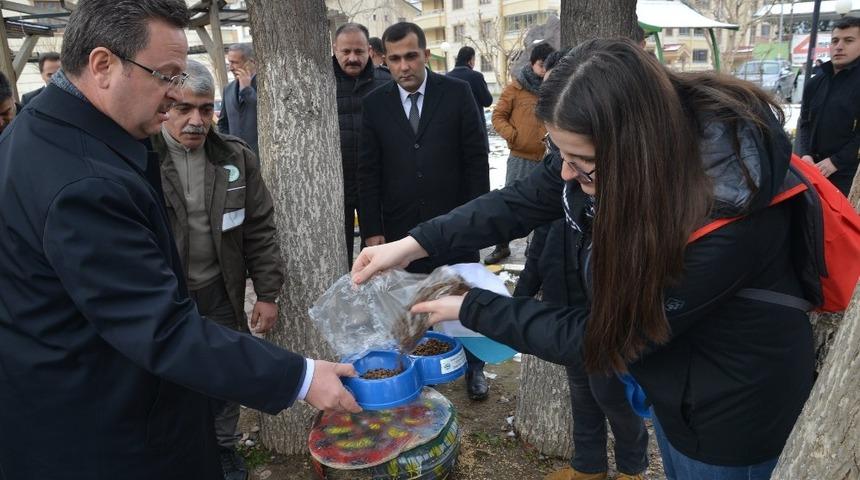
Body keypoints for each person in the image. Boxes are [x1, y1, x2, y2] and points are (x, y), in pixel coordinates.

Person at [353, 39, 814, 480]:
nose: (567, 175)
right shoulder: (617, 156)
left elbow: (605, 336)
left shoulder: (726, 224)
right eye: (560, 155)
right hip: (679, 389)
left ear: (638, 147)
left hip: (733, 417)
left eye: (581, 163)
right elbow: (519, 201)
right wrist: (412, 244)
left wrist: (471, 307)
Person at [0, 2, 359, 479]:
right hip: (108, 430)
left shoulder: (39, 132)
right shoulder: (84, 184)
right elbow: (161, 329)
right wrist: (302, 376)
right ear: (103, 65)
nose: (173, 97)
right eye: (166, 76)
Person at [517, 47, 648, 480]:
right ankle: (588, 468)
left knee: (615, 400)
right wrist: (521, 294)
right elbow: (537, 248)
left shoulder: (617, 195)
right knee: (581, 395)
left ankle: (631, 468)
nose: (569, 170)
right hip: (566, 307)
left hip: (604, 318)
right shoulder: (563, 179)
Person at [151, 59, 284, 480]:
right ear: (165, 106)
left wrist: (267, 293)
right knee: (169, 375)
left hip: (220, 291)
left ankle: (223, 448)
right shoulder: (141, 158)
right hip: (164, 295)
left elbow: (260, 228)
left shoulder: (235, 158)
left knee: (223, 375)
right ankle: (183, 448)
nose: (196, 120)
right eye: (185, 108)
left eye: (206, 109)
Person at [357, 22, 491, 400]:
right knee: (414, 304)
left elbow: (476, 161)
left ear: (425, 55)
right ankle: (423, 369)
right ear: (384, 59)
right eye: (395, 58)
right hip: (402, 228)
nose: (404, 67)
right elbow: (367, 171)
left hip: (457, 223)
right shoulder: (375, 103)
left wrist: (478, 220)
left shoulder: (458, 93)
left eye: (411, 56)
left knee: (464, 296)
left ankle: (473, 367)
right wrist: (373, 230)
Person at [484, 42, 554, 265]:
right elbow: (497, 117)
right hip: (519, 158)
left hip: (546, 158)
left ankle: (534, 249)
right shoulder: (516, 88)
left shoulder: (554, 87)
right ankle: (502, 245)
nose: (544, 70)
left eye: (547, 65)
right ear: (532, 63)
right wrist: (513, 135)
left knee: (543, 204)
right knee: (511, 203)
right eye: (541, 65)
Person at [333, 23, 391, 269]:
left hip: (377, 188)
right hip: (336, 186)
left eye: (359, 51)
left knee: (379, 259)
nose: (352, 58)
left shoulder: (387, 83)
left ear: (369, 50)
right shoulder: (319, 81)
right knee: (338, 259)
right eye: (346, 52)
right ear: (334, 49)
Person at [797, 16, 860, 196]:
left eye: (848, 40)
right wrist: (805, 154)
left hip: (849, 176)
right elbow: (805, 123)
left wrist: (835, 162)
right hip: (812, 172)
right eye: (835, 40)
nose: (839, 46)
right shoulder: (815, 83)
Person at [217, 42, 259, 155]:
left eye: (234, 63)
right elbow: (222, 123)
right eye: (229, 63)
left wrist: (247, 90)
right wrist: (228, 147)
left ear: (251, 62)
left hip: (262, 156)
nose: (230, 68)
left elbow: (265, 113)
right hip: (237, 156)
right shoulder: (228, 89)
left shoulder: (264, 85)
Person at [446, 46, 493, 134]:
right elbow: (487, 101)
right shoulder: (476, 77)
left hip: (453, 128)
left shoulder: (446, 77)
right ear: (470, 60)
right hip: (474, 127)